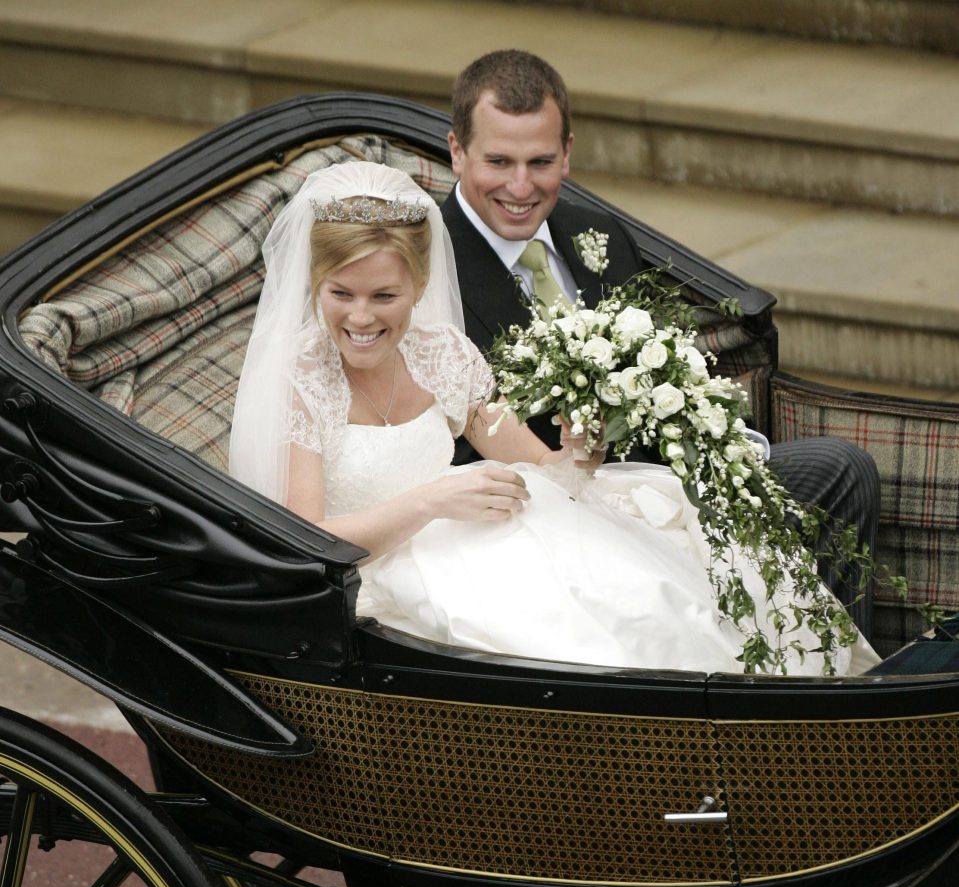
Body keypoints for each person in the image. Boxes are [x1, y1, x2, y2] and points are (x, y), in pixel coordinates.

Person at [229, 160, 879, 676]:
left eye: (384, 296)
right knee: (592, 645)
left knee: (662, 591)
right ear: (315, 285)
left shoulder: (439, 353)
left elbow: (538, 466)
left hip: (497, 535)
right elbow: (308, 544)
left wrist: (577, 453)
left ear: (418, 288)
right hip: (392, 578)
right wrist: (431, 501)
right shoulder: (300, 380)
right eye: (341, 294)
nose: (362, 317)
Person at [442, 49, 881, 640]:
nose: (520, 187)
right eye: (499, 161)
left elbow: (658, 370)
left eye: (540, 161)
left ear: (568, 152)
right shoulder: (428, 266)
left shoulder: (598, 235)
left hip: (661, 471)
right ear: (456, 151)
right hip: (553, 513)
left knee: (843, 470)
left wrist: (714, 436)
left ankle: (832, 683)